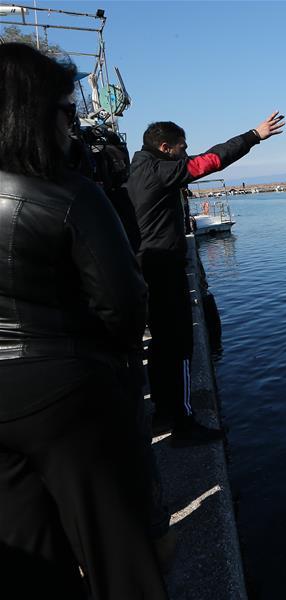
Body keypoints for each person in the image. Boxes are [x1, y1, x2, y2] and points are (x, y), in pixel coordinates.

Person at [0, 43, 167, 598]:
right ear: (33, 114)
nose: (73, 128)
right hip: (68, 390)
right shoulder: (70, 195)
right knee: (117, 549)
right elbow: (122, 304)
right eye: (67, 112)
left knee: (26, 553)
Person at [127, 111, 284, 443]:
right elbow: (211, 161)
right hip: (164, 269)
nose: (187, 152)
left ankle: (161, 414)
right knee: (181, 344)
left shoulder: (139, 169)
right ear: (165, 147)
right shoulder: (161, 172)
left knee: (160, 345)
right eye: (182, 147)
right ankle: (183, 422)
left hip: (147, 267)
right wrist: (255, 136)